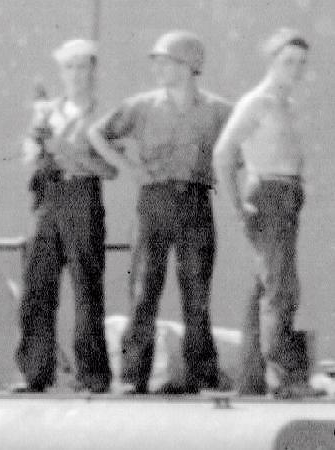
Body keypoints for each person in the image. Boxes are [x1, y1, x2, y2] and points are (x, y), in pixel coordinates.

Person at [89, 30, 231, 394]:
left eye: (166, 62)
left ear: (189, 66)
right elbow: (98, 133)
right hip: (154, 202)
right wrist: (129, 168)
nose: (159, 68)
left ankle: (203, 376)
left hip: (197, 201)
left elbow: (236, 148)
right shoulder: (142, 106)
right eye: (157, 61)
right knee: (143, 288)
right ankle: (133, 376)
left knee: (197, 293)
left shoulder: (218, 110)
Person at [214, 28, 312, 397]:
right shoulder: (257, 101)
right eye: (288, 61)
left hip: (287, 194)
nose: (295, 69)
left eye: (301, 63)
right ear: (271, 61)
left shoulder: (286, 103)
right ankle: (283, 377)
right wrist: (237, 204)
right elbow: (223, 153)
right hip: (268, 195)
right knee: (281, 287)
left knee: (266, 285)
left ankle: (251, 377)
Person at [15, 39, 117, 393]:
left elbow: (110, 168)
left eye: (82, 66)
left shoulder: (103, 114)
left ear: (92, 70)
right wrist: (39, 142)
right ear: (61, 71)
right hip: (48, 197)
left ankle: (91, 375)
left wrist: (68, 149)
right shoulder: (47, 111)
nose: (75, 74)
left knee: (86, 287)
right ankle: (35, 373)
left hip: (82, 195)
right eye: (68, 67)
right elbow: (30, 154)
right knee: (36, 284)